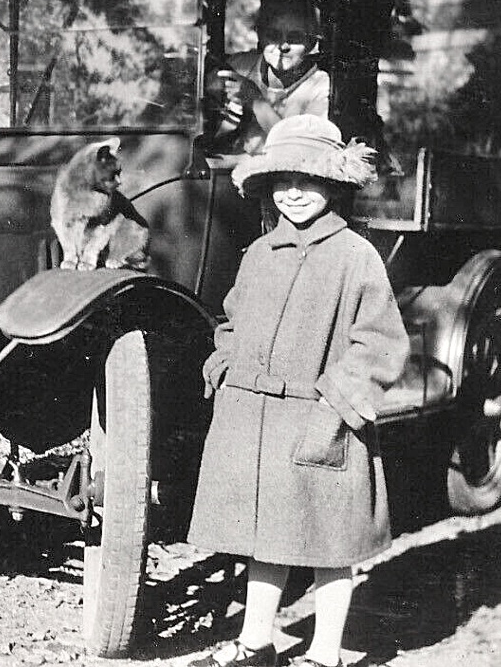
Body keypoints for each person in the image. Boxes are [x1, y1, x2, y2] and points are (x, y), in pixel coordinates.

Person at [187, 115, 409, 667]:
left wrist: (336, 406)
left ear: (334, 183)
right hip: (254, 420)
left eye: (307, 181)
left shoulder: (355, 256)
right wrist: (225, 362)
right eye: (281, 182)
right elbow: (232, 319)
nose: (293, 193)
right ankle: (255, 643)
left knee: (331, 543)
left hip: (322, 421)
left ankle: (325, 654)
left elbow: (381, 343)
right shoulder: (261, 254)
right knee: (266, 536)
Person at [215, 0, 330, 153]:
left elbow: (300, 150)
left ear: (311, 43)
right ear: (260, 36)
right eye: (273, 36)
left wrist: (255, 101)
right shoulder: (240, 66)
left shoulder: (319, 87)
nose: (283, 46)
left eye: (295, 37)